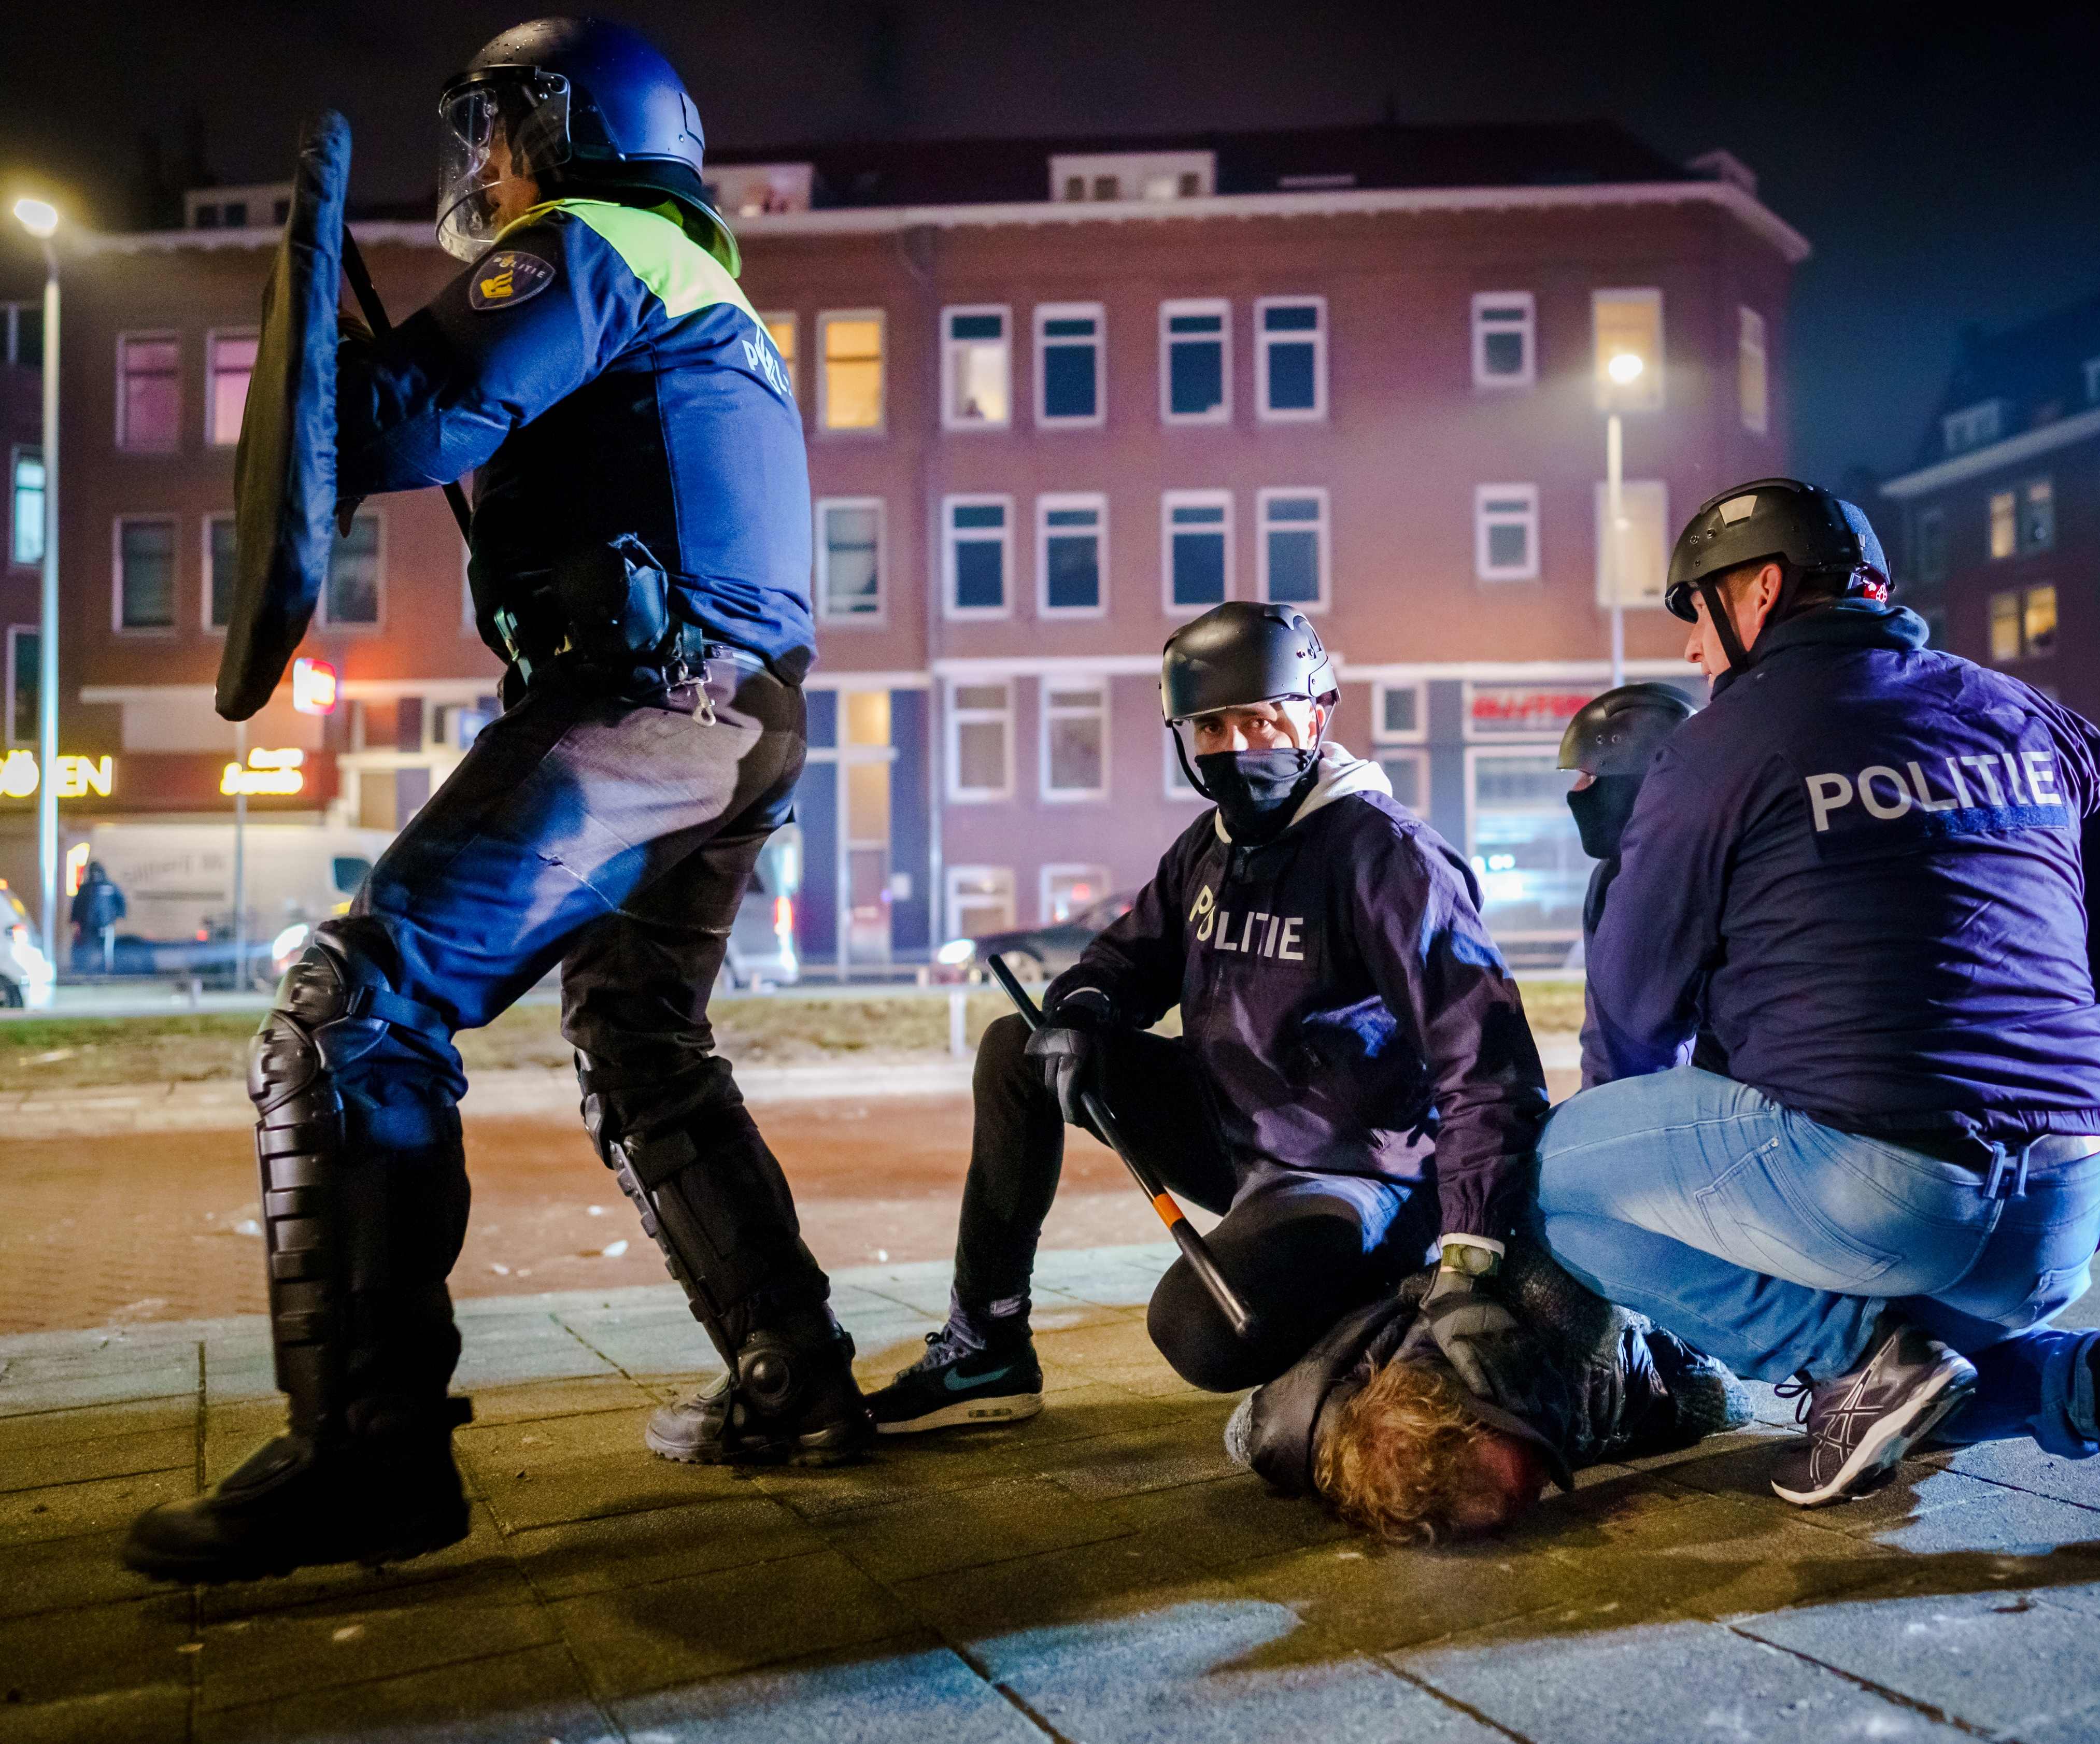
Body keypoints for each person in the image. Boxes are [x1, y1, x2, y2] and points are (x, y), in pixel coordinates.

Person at [125, 18, 860, 1583]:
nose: (486, 165)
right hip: (741, 716)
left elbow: (402, 420)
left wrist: (319, 373)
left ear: (579, 130)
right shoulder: (696, 280)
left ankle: (369, 1451)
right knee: (641, 1039)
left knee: (356, 1002)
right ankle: (795, 1370)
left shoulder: (595, 240)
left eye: (501, 129)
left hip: (648, 706)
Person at [1534, 477, 2100, 1554]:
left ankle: (1845, 1357)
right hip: (2065, 1208)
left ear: (1760, 591)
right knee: (1915, 1376)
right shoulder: (2034, 717)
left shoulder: (1719, 745)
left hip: (1878, 1193)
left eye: (1695, 612)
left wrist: (1658, 1200)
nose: (1695, 650)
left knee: (1555, 1174)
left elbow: (1632, 1009)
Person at [864, 601, 1549, 1429]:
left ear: (1316, 713)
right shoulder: (1209, 847)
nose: (1236, 747)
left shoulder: (1387, 857)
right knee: (1022, 1047)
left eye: (1259, 720)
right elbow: (1126, 960)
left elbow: (1487, 1063)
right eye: (1211, 728)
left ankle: (1382, 1291)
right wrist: (1081, 1009)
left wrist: (1472, 1251)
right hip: (1231, 1129)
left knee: (1200, 1329)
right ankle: (988, 1346)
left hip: (1352, 1170)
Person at [1227, 1242, 1747, 1542]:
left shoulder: (1550, 1311)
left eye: (1528, 1463)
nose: (1544, 1480)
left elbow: (1254, 1429)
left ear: (1485, 1404)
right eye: (1522, 1500)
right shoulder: (1300, 1448)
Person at [1559, 683, 1693, 1087]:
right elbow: (1605, 1033)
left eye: (1588, 775)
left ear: (1633, 781)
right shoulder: (1610, 877)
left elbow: (1642, 1040)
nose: (1575, 792)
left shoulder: (1674, 875)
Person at [69, 860, 125, 974]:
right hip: (88, 925)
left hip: (105, 923)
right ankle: (89, 969)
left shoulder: (109, 887)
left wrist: (117, 916)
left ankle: (106, 968)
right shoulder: (85, 889)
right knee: (89, 947)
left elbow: (120, 902)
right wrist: (75, 920)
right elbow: (77, 905)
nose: (95, 875)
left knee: (106, 948)